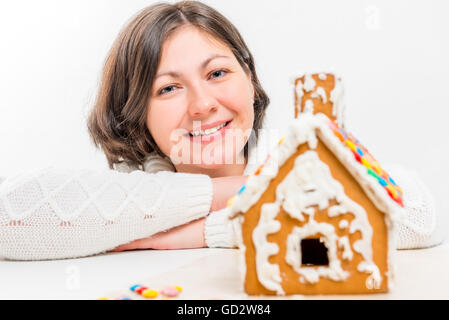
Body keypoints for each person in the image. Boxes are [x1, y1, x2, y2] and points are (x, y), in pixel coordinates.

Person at [0, 1, 439, 260]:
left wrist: (191, 236)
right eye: (169, 88)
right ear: (136, 113)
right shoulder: (131, 191)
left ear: (249, 78)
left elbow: (417, 218)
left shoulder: (298, 149)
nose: (203, 105)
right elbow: (8, 216)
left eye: (217, 73)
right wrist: (259, 191)